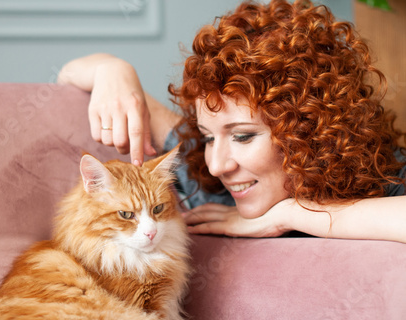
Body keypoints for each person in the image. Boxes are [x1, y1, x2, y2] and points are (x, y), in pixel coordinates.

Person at [58, 0, 406, 243]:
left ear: (309, 133)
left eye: (242, 137)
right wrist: (113, 69)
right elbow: (71, 76)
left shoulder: (389, 180)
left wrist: (286, 215)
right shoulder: (208, 185)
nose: (216, 166)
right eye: (209, 137)